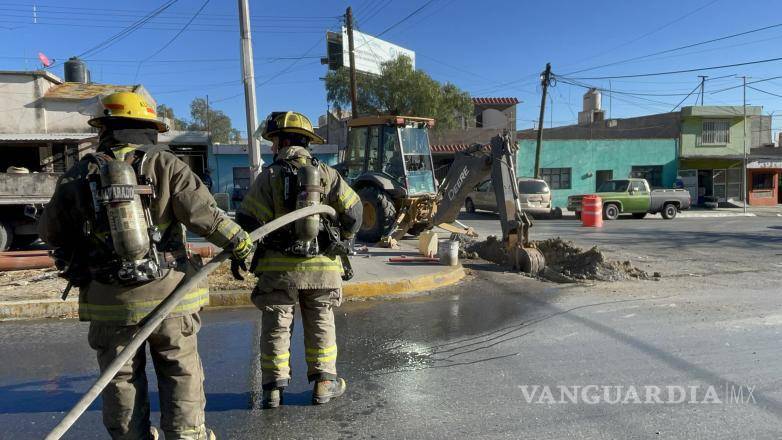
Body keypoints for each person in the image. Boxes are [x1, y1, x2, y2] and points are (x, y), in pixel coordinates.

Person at [39, 92, 252, 440]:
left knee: (120, 378)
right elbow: (205, 216)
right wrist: (242, 244)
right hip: (170, 296)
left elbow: (52, 232)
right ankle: (187, 435)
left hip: (110, 301)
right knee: (179, 369)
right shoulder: (166, 165)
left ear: (105, 129)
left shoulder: (79, 173)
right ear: (149, 128)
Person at [233, 111, 361, 408]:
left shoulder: (269, 176)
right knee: (321, 321)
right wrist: (340, 238)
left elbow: (247, 221)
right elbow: (354, 214)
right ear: (306, 143)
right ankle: (324, 385)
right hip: (322, 269)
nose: (272, 147)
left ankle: (272, 390)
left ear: (282, 142)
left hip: (278, 271)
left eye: (274, 142)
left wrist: (240, 255)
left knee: (276, 325)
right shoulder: (327, 174)